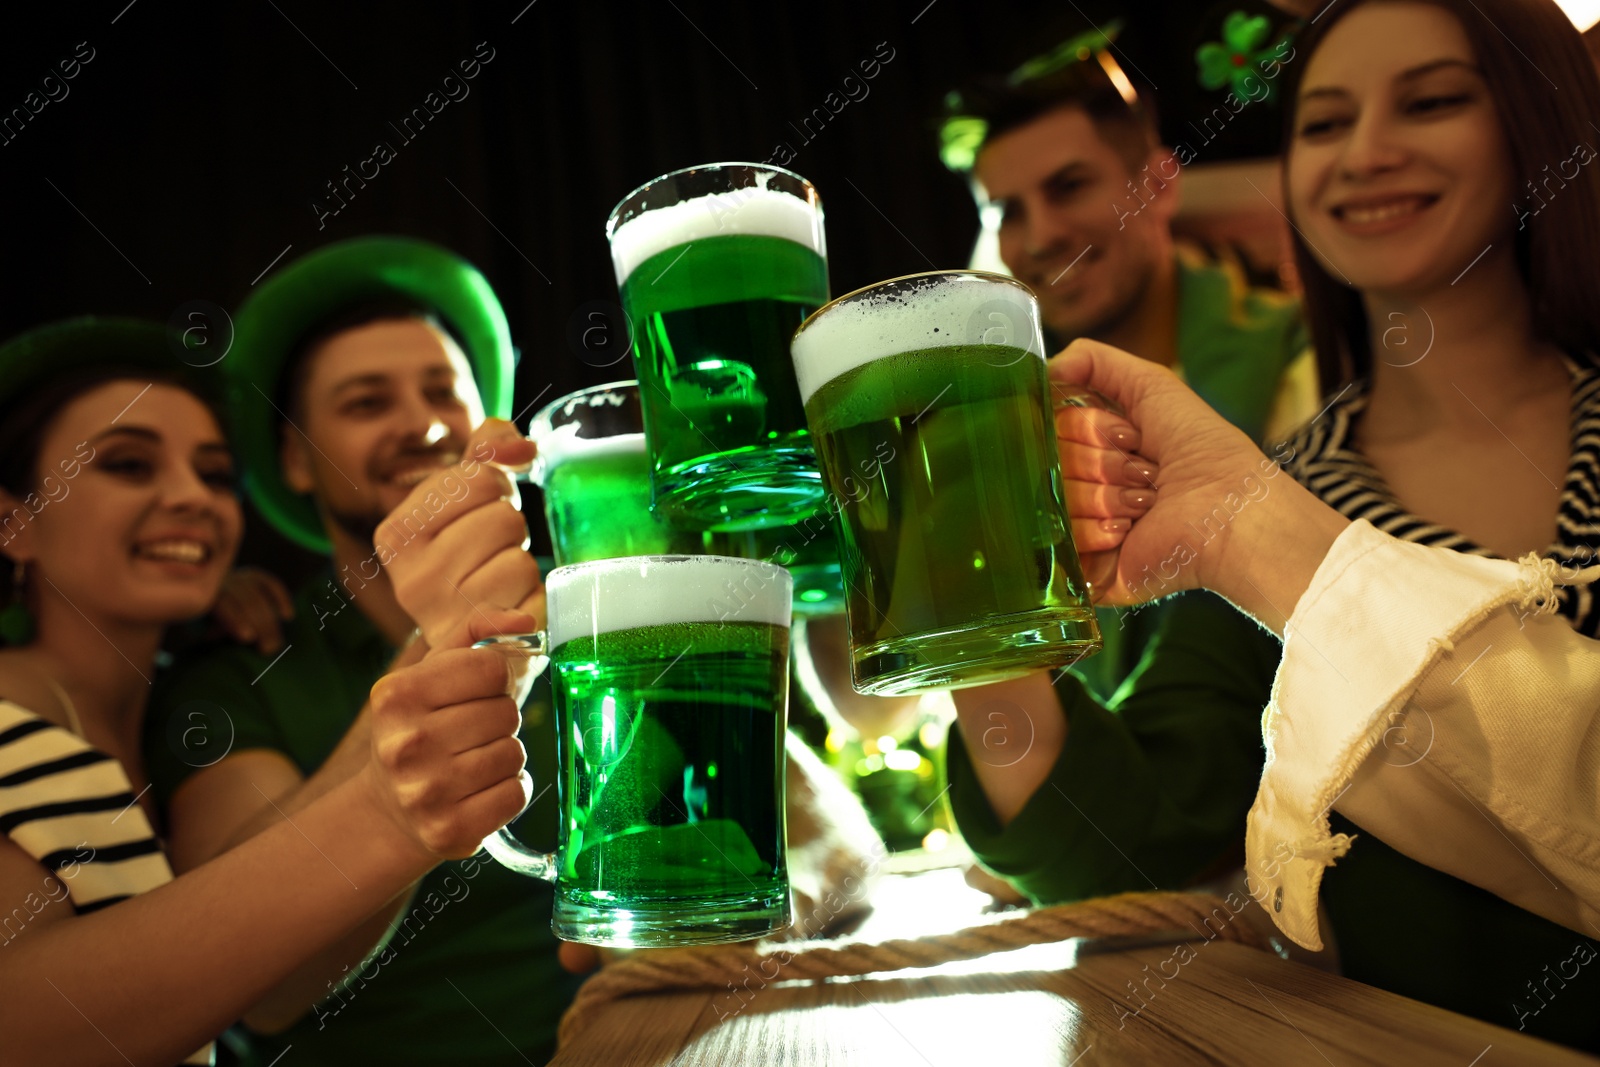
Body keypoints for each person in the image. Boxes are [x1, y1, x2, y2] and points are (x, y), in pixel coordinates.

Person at [947, 0, 1600, 1050]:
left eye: (1429, 102)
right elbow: (1122, 849)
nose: (1366, 153)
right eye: (1323, 123)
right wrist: (960, 601)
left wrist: (1266, 541)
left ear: (1536, 124)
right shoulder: (1282, 480)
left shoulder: (1260, 480)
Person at [144, 237, 881, 1065]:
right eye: (365, 403)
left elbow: (837, 835)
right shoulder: (240, 671)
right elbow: (258, 988)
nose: (421, 423)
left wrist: (740, 925)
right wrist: (444, 645)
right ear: (293, 460)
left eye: (443, 393)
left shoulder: (594, 613)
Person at [0, 317, 537, 1065]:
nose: (192, 497)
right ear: (11, 521)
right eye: (128, 464)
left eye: (215, 474)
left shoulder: (163, 695)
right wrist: (444, 666)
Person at [936, 33, 1320, 703]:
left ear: (1159, 186)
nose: (1039, 237)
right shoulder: (1002, 428)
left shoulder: (1306, 363)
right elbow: (878, 721)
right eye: (1007, 212)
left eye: (1070, 186)